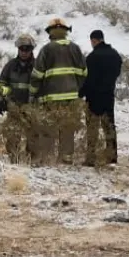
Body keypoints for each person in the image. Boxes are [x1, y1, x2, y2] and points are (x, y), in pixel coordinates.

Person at [28, 18, 87, 165]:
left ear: (50, 32)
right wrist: (77, 90)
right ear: (66, 32)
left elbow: (37, 75)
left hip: (51, 98)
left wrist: (33, 93)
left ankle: (47, 158)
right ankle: (66, 158)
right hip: (72, 97)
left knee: (49, 128)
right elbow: (83, 73)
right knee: (67, 128)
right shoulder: (75, 49)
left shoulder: (47, 49)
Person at [81, 29, 122, 167]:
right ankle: (112, 158)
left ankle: (91, 159)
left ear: (94, 40)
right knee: (109, 127)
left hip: (93, 98)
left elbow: (88, 79)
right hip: (108, 96)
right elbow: (117, 73)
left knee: (92, 129)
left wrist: (80, 93)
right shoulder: (115, 55)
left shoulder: (92, 57)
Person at [0, 33, 38, 164]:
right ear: (18, 49)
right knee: (12, 136)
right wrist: (0, 101)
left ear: (32, 49)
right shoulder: (10, 66)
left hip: (32, 107)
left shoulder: (38, 66)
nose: (24, 52)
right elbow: (2, 84)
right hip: (13, 106)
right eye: (22, 49)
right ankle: (14, 161)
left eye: (27, 49)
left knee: (33, 137)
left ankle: (31, 162)